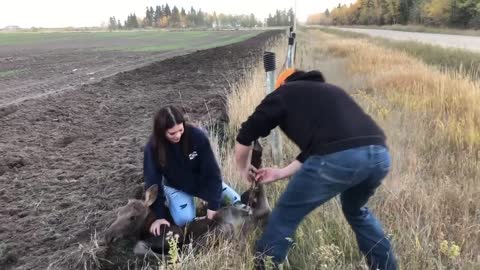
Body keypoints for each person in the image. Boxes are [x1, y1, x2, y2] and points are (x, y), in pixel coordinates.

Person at [234, 70, 398, 270]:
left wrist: (243, 169)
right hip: (379, 155)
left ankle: (264, 266)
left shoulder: (284, 92)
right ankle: (386, 266)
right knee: (356, 211)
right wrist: (280, 172)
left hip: (338, 157)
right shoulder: (331, 91)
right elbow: (322, 146)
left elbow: (246, 134)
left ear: (283, 84)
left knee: (285, 215)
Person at [144, 105, 242, 236]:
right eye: (172, 133)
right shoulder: (152, 148)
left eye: (180, 130)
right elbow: (153, 184)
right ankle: (171, 204)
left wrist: (213, 206)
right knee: (185, 221)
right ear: (161, 132)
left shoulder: (197, 137)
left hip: (202, 182)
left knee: (236, 200)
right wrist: (159, 216)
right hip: (176, 186)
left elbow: (213, 173)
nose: (178, 135)